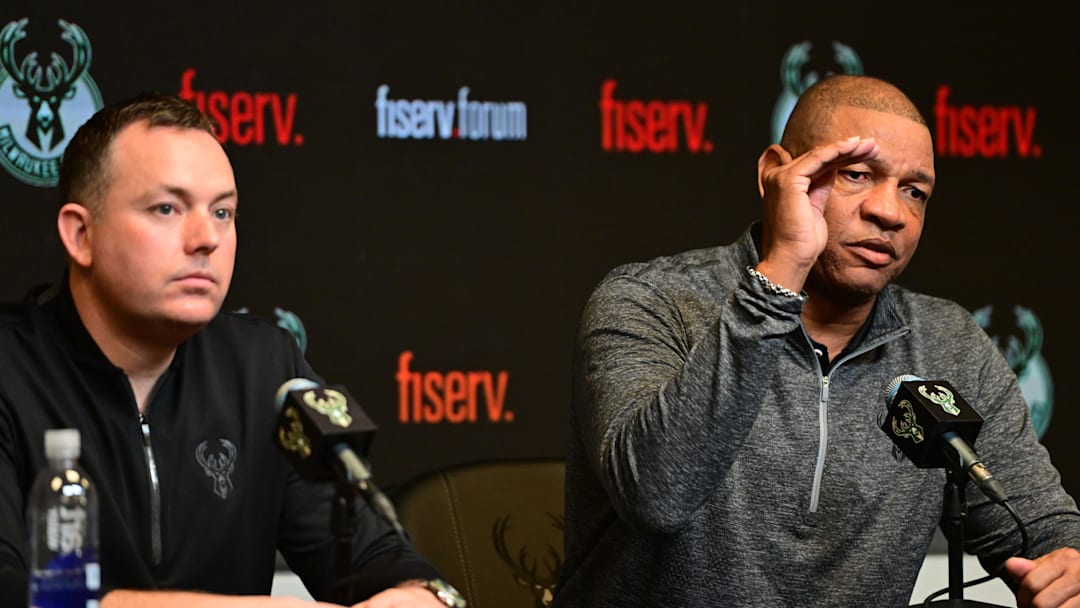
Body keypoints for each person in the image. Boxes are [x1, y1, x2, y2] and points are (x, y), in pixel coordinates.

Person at [554, 75, 1080, 607]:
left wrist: (1067, 563)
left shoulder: (949, 343)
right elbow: (658, 494)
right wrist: (781, 273)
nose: (891, 212)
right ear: (775, 175)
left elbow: (1039, 527)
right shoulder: (650, 302)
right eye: (856, 174)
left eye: (914, 191)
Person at [0, 94, 463, 608]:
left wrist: (416, 595)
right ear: (81, 234)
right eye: (166, 209)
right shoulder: (10, 368)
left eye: (223, 212)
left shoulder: (265, 367)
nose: (206, 239)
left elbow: (382, 561)